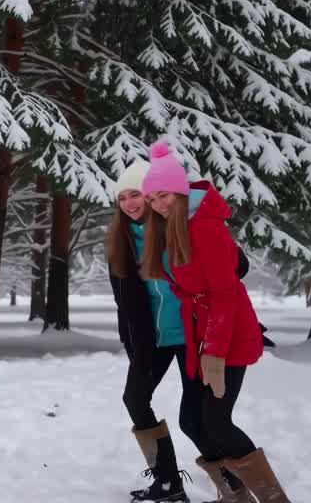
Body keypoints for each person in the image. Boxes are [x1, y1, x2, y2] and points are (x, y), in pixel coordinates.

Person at [140, 141, 292, 503]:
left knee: (217, 421)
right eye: (153, 198)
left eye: (164, 195)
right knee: (192, 421)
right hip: (202, 335)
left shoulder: (205, 228)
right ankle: (233, 495)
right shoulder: (172, 229)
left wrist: (214, 353)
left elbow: (223, 293)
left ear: (179, 191)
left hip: (228, 336)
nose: (159, 204)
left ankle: (274, 499)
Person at [107, 159, 199, 502]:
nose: (130, 203)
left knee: (199, 419)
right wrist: (130, 342)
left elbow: (233, 264)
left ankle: (233, 488)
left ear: (151, 196)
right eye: (123, 197)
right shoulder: (120, 240)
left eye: (137, 195)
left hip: (192, 336)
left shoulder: (180, 226)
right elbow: (123, 301)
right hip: (153, 340)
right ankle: (167, 482)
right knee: (134, 398)